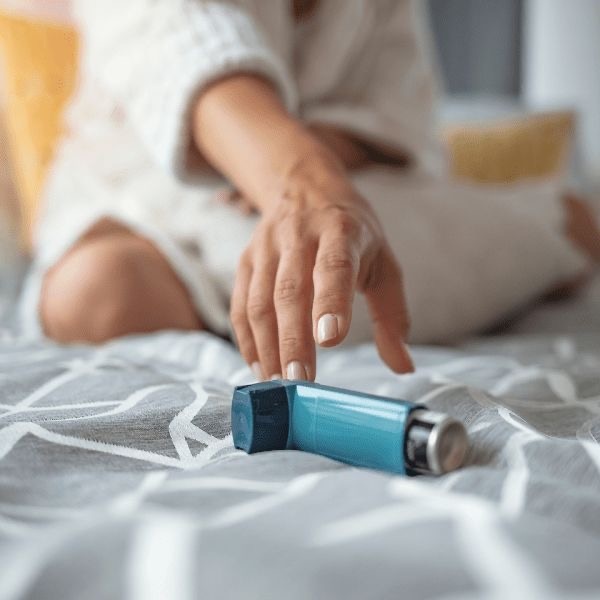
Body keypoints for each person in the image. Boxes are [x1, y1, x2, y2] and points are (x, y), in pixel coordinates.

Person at [22, 0, 599, 381]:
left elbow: (401, 118)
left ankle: (555, 221)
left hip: (352, 192)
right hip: (146, 202)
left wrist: (326, 152)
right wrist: (299, 178)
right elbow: (187, 46)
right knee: (95, 292)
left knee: (355, 255)